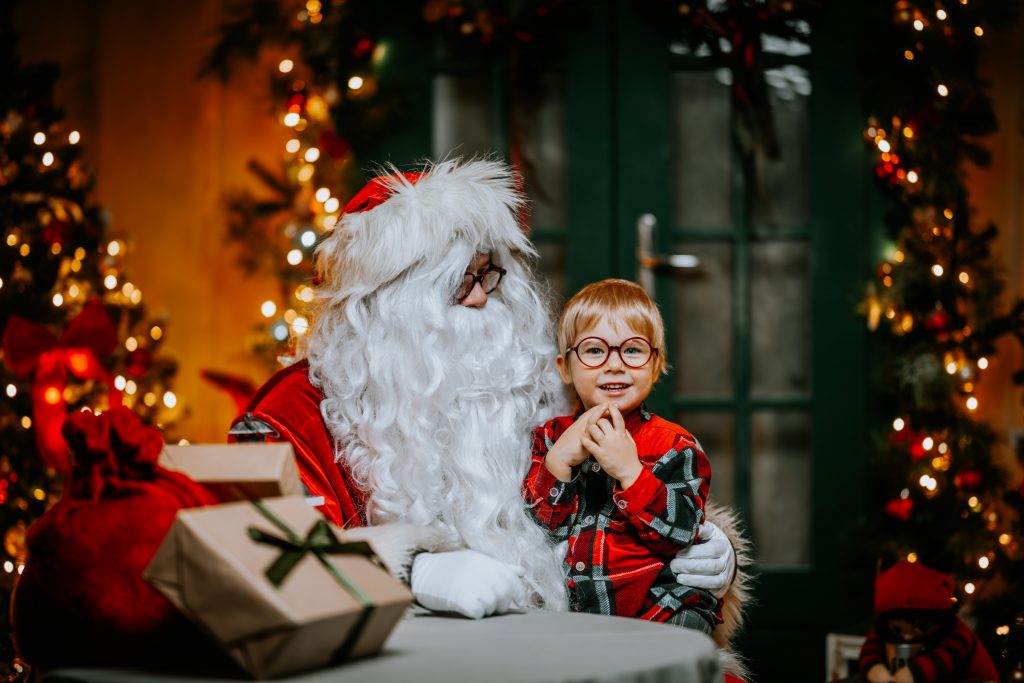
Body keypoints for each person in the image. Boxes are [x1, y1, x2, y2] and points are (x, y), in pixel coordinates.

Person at [231, 158, 746, 634]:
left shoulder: (527, 378)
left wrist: (706, 546)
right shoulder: (291, 415)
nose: (481, 298)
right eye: (460, 282)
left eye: (487, 274)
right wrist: (410, 571)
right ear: (394, 301)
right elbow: (255, 558)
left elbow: (620, 509)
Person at [524, 279, 746, 679]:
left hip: (661, 609)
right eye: (594, 350)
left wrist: (631, 472)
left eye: (632, 350)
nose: (614, 364)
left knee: (684, 646)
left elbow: (681, 534)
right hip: (584, 620)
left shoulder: (674, 445)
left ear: (656, 364)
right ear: (565, 368)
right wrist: (558, 464)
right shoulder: (549, 438)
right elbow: (537, 530)